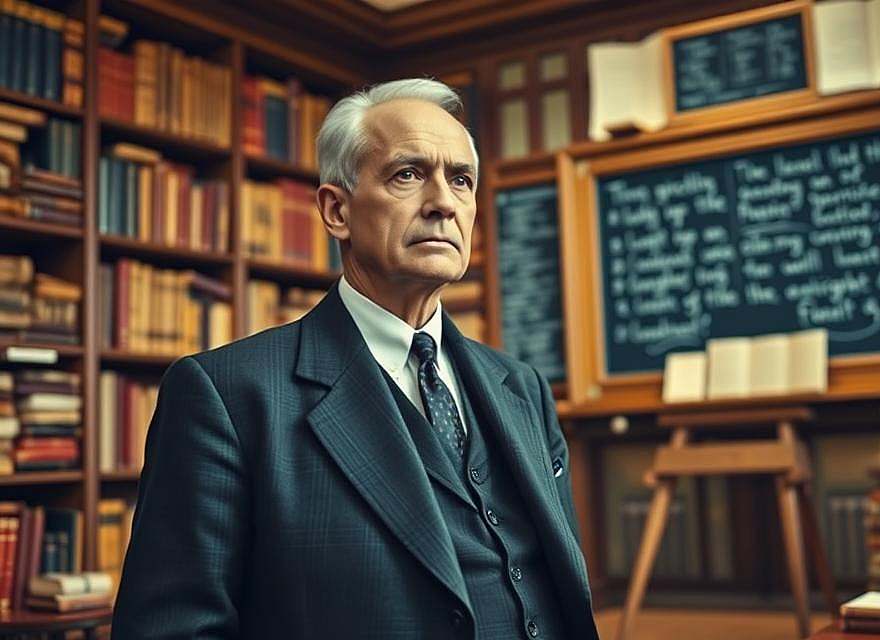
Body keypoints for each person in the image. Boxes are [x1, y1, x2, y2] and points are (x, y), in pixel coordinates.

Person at [111, 78, 599, 640]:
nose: (443, 202)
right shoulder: (225, 395)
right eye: (408, 175)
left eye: (461, 180)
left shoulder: (523, 388)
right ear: (336, 210)